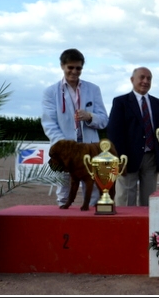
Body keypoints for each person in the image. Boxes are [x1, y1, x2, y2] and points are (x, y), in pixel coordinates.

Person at [41, 48, 109, 207]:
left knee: (94, 190)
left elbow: (104, 120)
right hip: (64, 151)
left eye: (78, 68)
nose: (74, 71)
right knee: (64, 190)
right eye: (70, 67)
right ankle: (63, 220)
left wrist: (90, 117)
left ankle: (92, 221)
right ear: (62, 66)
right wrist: (66, 147)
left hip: (90, 149)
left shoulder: (93, 89)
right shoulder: (50, 92)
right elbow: (49, 123)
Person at [107, 67, 159, 206]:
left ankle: (146, 226)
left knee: (149, 199)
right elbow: (114, 132)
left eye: (149, 78)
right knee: (126, 198)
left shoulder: (158, 104)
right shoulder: (120, 102)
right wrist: (120, 158)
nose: (145, 81)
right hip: (127, 158)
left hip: (152, 158)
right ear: (132, 80)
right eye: (142, 77)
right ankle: (124, 226)